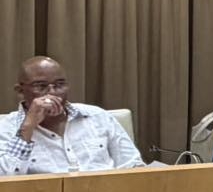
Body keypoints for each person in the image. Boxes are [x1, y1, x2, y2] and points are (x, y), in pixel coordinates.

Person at [1, 56, 145, 175]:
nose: (52, 93)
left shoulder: (98, 116)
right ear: (20, 91)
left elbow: (133, 166)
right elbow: (5, 180)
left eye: (59, 85)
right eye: (41, 86)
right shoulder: (6, 128)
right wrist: (27, 127)